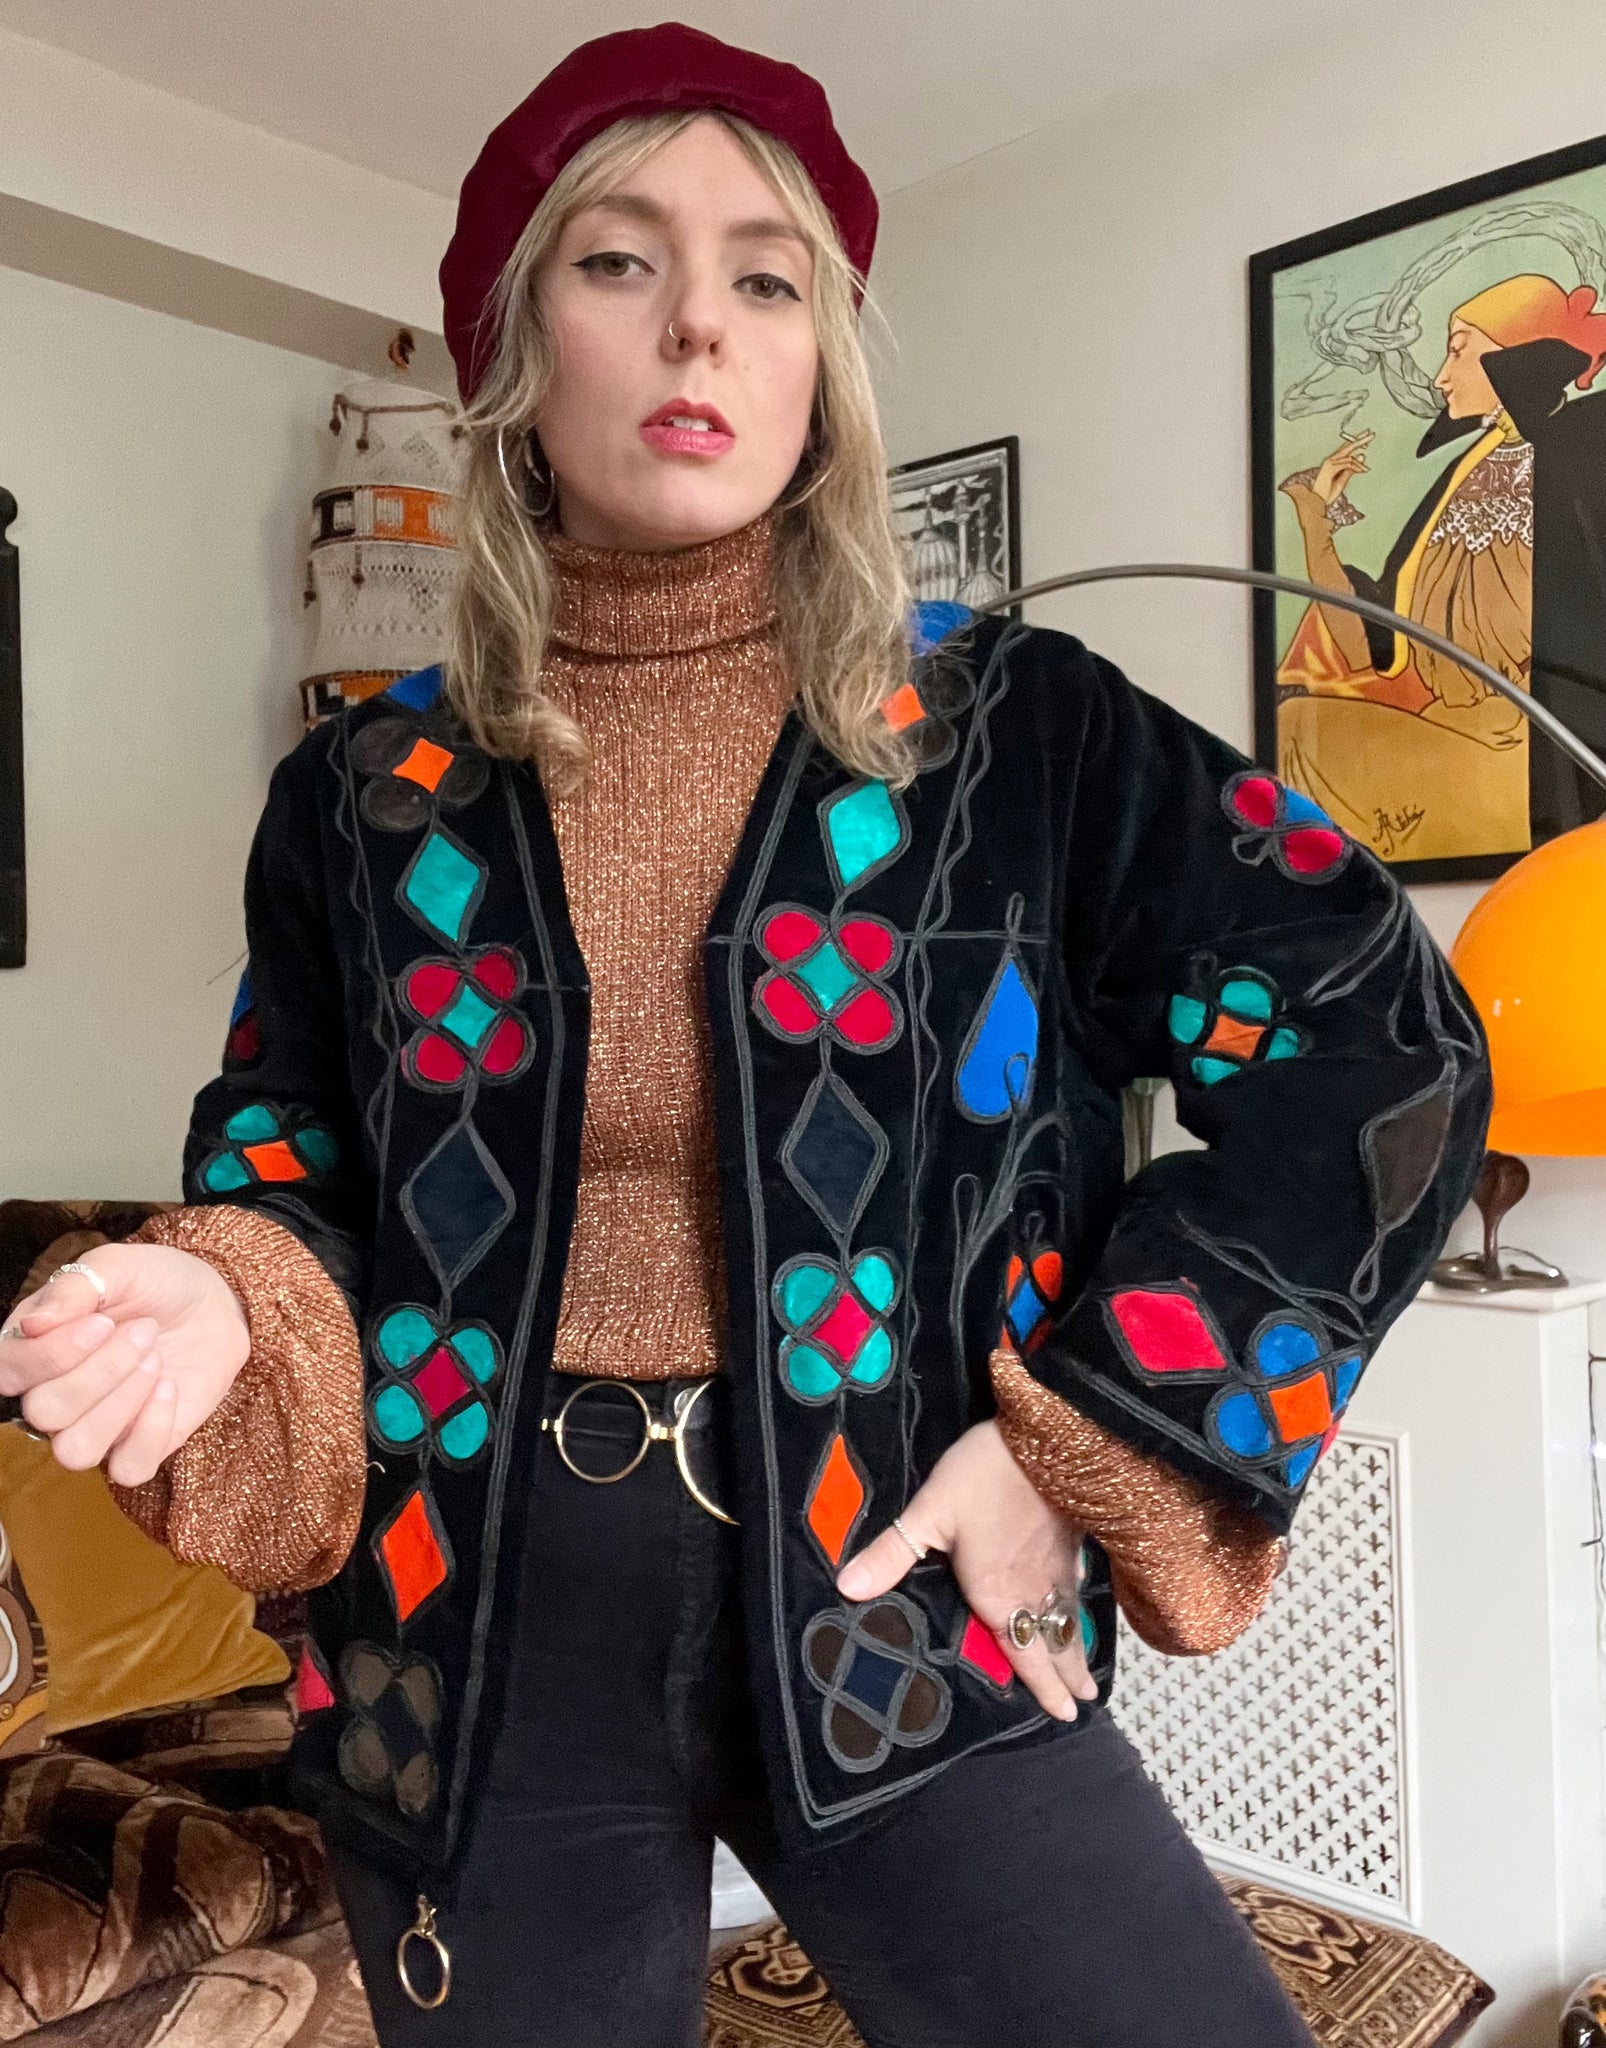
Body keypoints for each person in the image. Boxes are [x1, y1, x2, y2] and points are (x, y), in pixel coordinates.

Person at [0, 23, 1489, 2047]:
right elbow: (301, 1165)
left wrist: (1091, 1436)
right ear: (512, 348)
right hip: (471, 1624)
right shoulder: (364, 798)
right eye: (618, 260)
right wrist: (227, 1289)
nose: (698, 319)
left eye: (767, 277)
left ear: (821, 367)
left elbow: (1377, 1040)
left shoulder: (1019, 736)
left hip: (902, 1576)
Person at [1277, 271, 1606, 863]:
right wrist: (1316, 521)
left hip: (1527, 743)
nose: (1440, 377)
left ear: (1514, 360)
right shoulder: (1471, 465)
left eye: (1458, 350)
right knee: (1295, 724)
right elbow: (1379, 639)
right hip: (1450, 723)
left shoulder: (1576, 450)